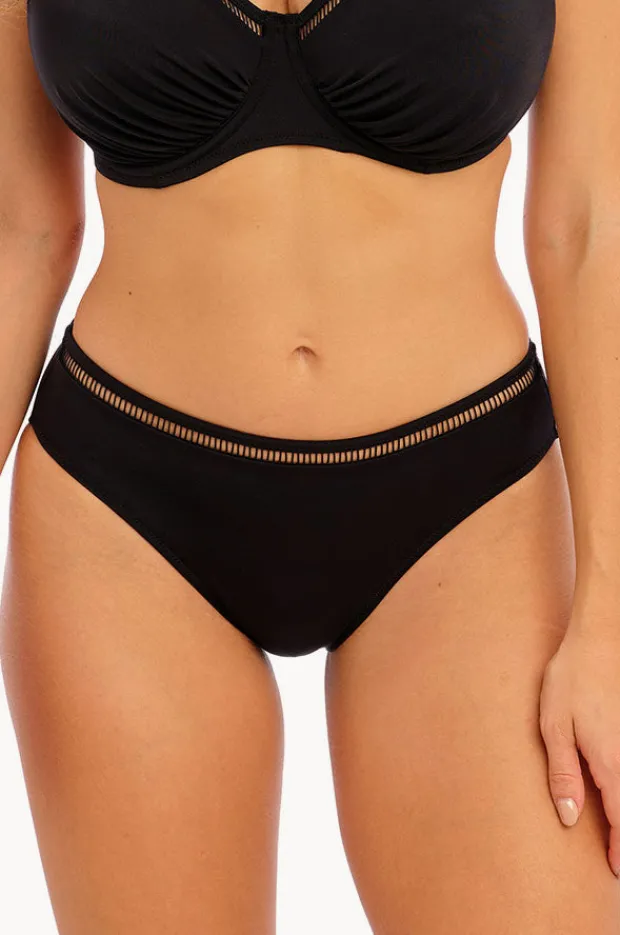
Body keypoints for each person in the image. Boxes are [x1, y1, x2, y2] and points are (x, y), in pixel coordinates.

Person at [0, 0, 619, 931]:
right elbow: (23, 231)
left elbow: (588, 227)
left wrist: (611, 615)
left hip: (468, 509)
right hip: (123, 511)